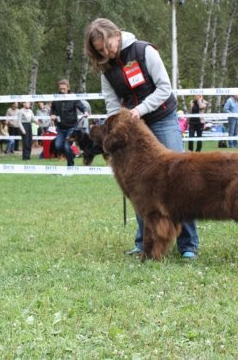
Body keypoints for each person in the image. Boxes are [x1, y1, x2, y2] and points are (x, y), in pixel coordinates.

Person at [83, 17, 199, 258]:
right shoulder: (106, 70)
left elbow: (164, 88)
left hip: (162, 117)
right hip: (133, 127)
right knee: (137, 183)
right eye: (100, 50)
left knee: (179, 178)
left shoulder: (144, 51)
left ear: (116, 34)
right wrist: (117, 127)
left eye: (108, 45)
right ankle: (144, 243)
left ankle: (188, 245)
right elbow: (112, 105)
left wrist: (138, 111)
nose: (106, 52)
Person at [49, 79, 89, 167]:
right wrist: (52, 114)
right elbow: (53, 109)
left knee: (67, 147)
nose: (62, 91)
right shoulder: (56, 98)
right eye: (60, 89)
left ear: (68, 88)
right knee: (58, 146)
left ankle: (70, 166)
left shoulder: (73, 97)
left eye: (64, 89)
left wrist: (85, 112)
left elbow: (82, 107)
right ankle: (72, 155)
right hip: (60, 128)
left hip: (72, 128)